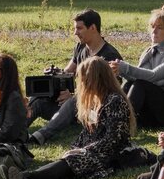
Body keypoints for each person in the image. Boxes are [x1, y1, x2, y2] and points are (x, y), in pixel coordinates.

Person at [6, 58, 134, 179]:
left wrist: (83, 151)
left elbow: (113, 139)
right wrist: (76, 148)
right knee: (69, 167)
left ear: (96, 78)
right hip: (95, 151)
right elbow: (87, 133)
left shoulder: (115, 101)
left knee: (72, 162)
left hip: (111, 154)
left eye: (84, 78)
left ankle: (24, 176)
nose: (81, 82)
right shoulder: (95, 99)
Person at [26, 10, 124, 144]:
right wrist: (55, 76)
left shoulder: (109, 56)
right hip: (74, 110)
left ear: (93, 28)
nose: (75, 33)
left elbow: (106, 95)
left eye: (79, 28)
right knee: (39, 97)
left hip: (94, 114)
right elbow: (68, 72)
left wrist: (73, 95)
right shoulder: (80, 47)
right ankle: (14, 132)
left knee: (74, 101)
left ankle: (40, 136)